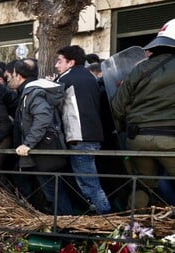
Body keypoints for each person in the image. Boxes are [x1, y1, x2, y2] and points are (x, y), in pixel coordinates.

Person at [111, 18, 175, 208]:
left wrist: (126, 125)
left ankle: (134, 232)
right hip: (171, 139)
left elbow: (117, 106)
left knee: (143, 186)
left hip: (137, 138)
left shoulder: (140, 68)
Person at [10, 58, 74, 215]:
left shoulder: (33, 93)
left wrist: (28, 144)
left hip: (45, 152)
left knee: (55, 193)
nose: (10, 78)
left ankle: (66, 227)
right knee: (53, 192)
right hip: (44, 151)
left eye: (12, 75)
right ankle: (64, 225)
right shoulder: (31, 92)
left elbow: (43, 118)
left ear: (18, 76)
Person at [55, 45, 112, 214]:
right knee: (90, 182)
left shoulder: (66, 79)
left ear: (70, 62)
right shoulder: (89, 76)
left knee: (89, 185)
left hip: (78, 137)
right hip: (94, 135)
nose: (57, 65)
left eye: (59, 61)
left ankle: (107, 221)